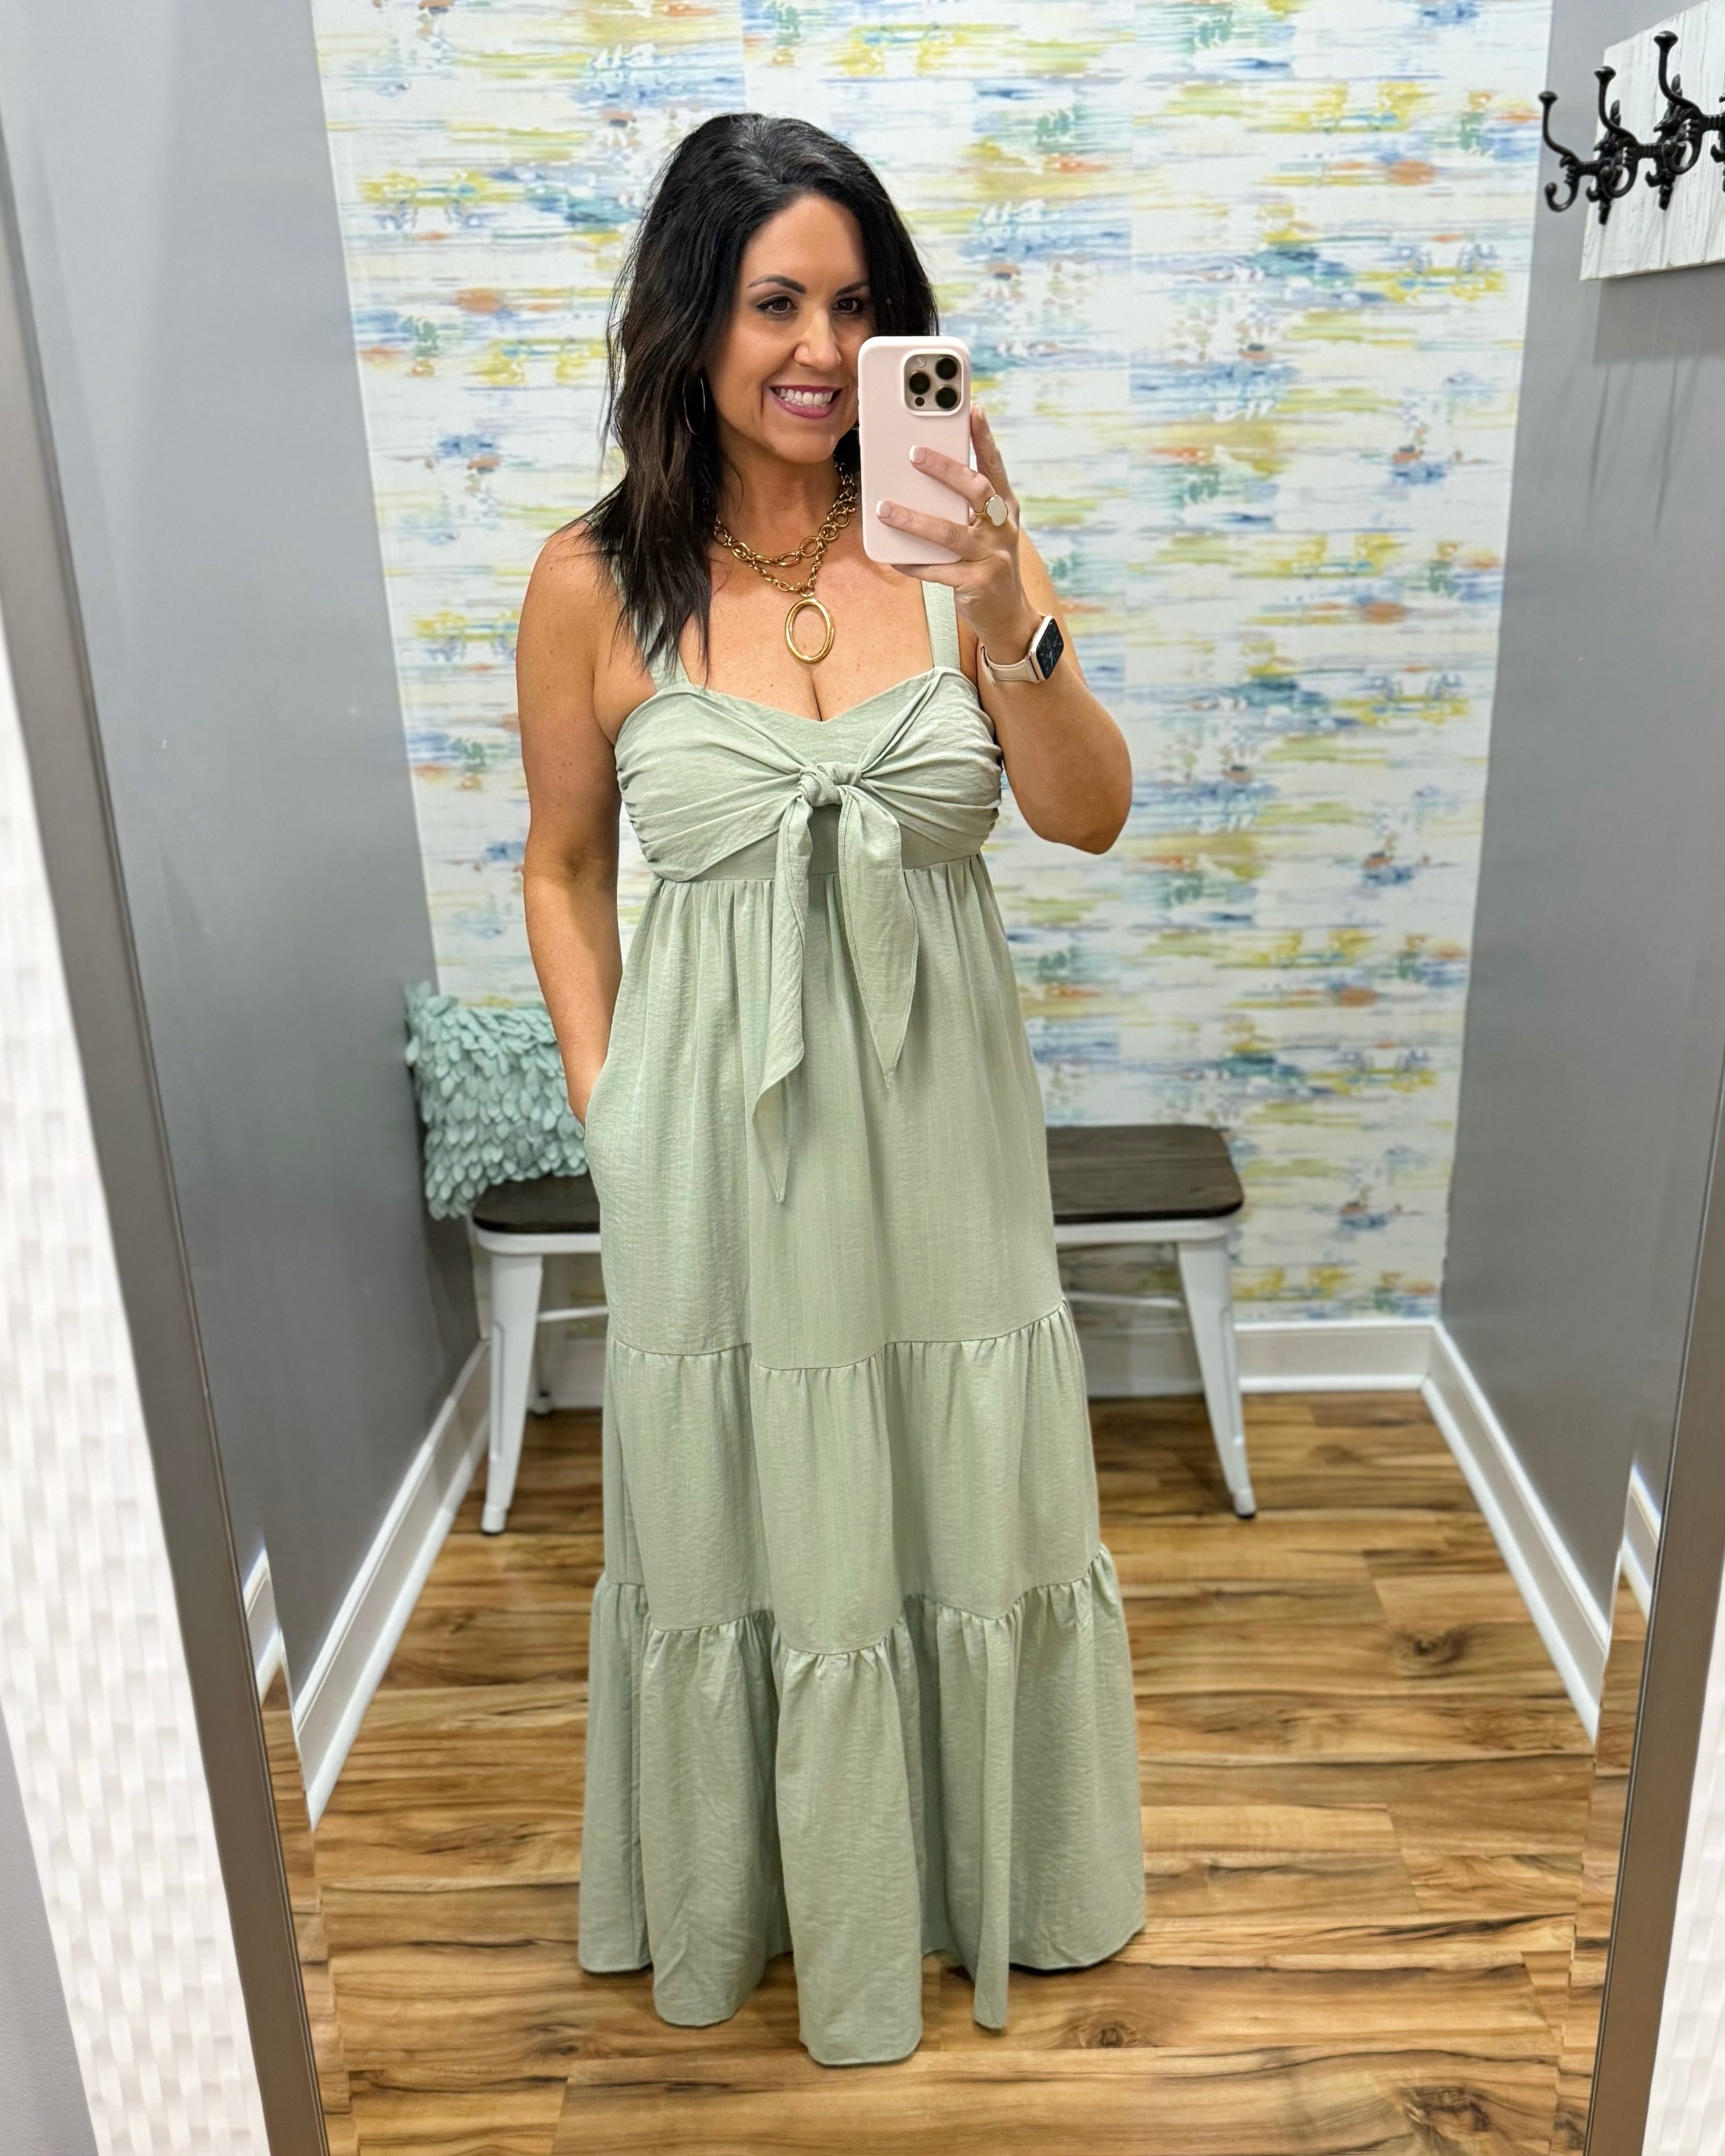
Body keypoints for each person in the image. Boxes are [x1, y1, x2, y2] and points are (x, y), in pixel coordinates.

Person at [515, 111, 1144, 2069]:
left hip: (946, 1134)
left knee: (965, 1490)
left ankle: (985, 1875)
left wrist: (1012, 611)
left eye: (857, 307)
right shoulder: (590, 582)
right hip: (714, 1150)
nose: (818, 348)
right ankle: (760, 1895)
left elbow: (1087, 814)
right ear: (691, 316)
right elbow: (562, 870)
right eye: (775, 301)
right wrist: (614, 1111)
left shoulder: (962, 556)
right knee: (743, 1515)